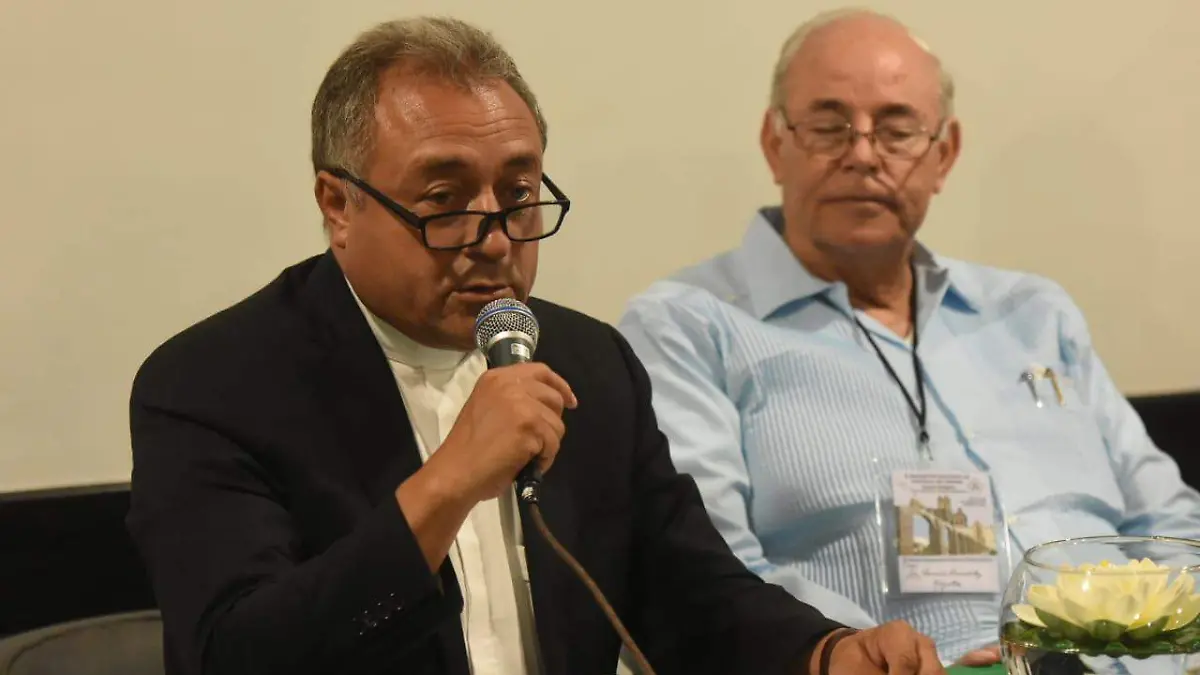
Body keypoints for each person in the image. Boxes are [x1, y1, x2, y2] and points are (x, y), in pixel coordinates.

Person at [126, 15, 946, 675]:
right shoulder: (214, 385)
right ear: (338, 204)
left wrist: (825, 651)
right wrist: (447, 483)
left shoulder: (588, 362)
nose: (494, 239)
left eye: (519, 195)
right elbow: (234, 652)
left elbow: (687, 593)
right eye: (445, 199)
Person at [617, 7, 1200, 667]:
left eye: (897, 131)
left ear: (943, 155)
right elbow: (704, 583)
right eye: (829, 127)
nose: (863, 155)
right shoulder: (689, 326)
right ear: (774, 143)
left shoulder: (1034, 313)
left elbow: (1172, 527)